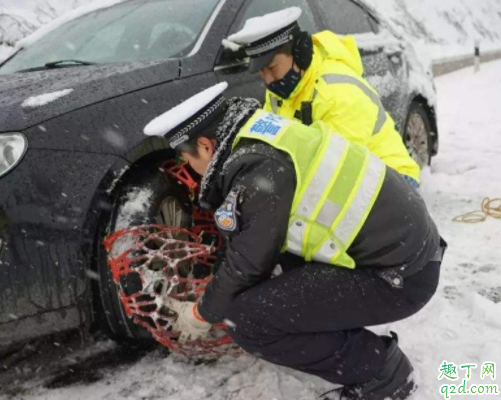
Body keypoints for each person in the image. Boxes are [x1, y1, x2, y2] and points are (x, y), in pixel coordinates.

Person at [143, 82, 446, 400]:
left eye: (189, 160)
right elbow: (250, 243)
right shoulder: (261, 134)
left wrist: (202, 313)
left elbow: (248, 263)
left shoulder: (259, 171)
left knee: (247, 320)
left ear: (205, 146)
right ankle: (356, 351)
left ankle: (382, 373)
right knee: (269, 287)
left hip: (401, 277)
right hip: (406, 253)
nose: (192, 170)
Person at [225, 7, 421, 188]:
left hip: (391, 179)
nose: (267, 79)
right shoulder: (282, 90)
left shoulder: (337, 92)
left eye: (272, 68)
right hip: (352, 172)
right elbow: (271, 142)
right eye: (261, 71)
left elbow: (337, 168)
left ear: (300, 54)